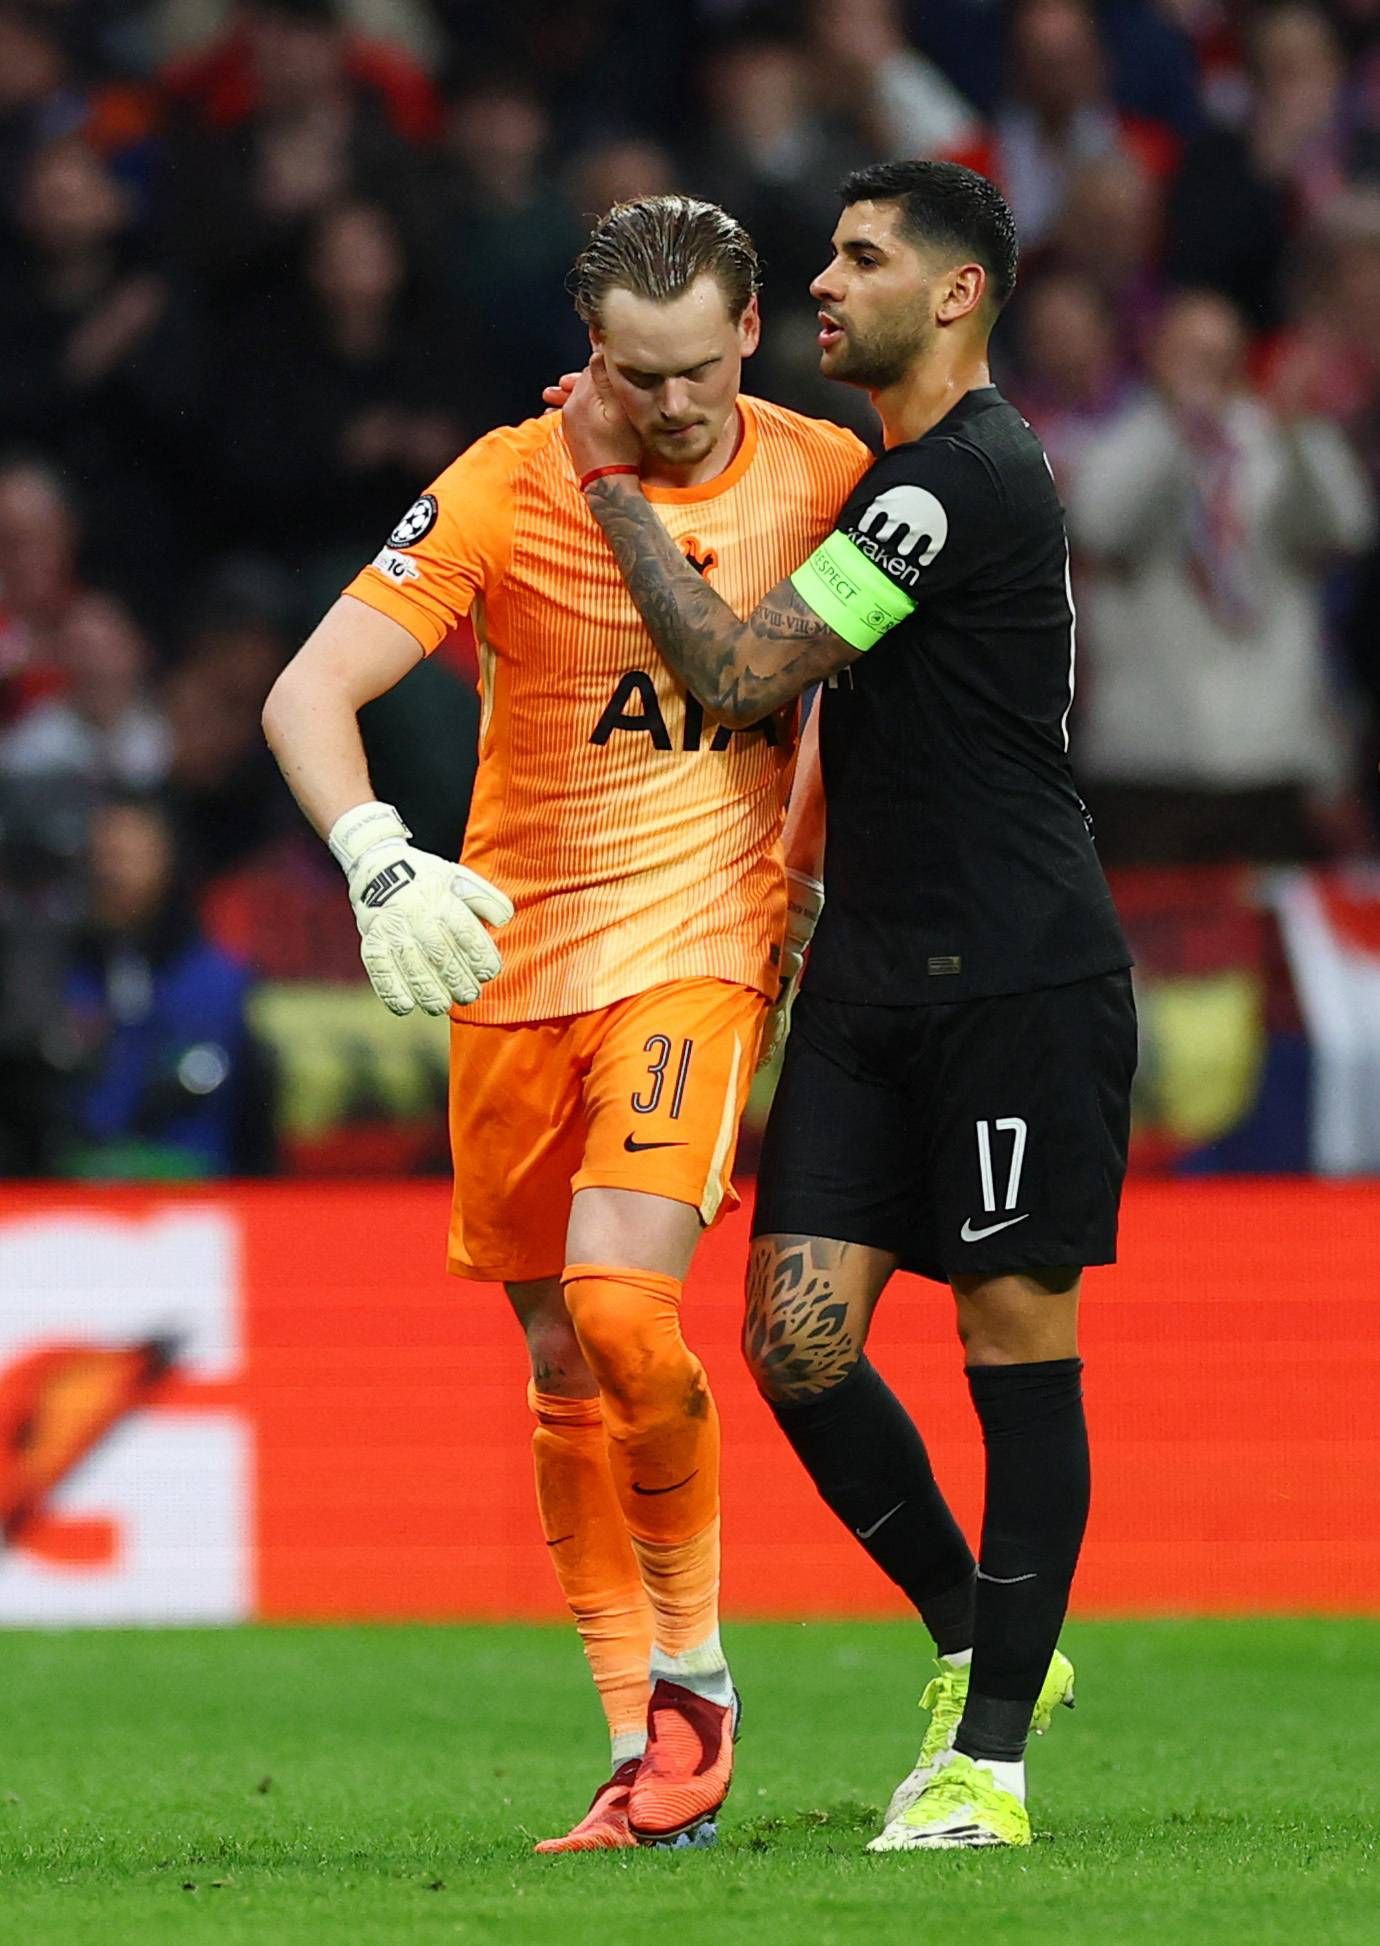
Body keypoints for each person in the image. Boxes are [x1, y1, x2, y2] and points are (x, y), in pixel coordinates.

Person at [261, 194, 870, 1852]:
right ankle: (633, 1742)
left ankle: (697, 1684)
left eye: (699, 369)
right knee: (553, 1358)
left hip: (701, 949)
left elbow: (872, 694)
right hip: (512, 963)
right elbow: (308, 692)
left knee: (619, 1304)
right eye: (635, 372)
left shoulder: (825, 475)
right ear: (588, 349)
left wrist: (816, 877)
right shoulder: (502, 483)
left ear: (752, 334)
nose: (672, 404)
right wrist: (378, 856)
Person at [560, 159, 1137, 1851]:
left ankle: (987, 1768)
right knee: (797, 1341)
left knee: (1012, 1339)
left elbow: (742, 672)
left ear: (957, 294)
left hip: (1017, 974)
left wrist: (612, 494)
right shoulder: (896, 479)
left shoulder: (958, 481)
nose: (824, 280)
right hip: (875, 980)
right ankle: (981, 1640)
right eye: (827, 253)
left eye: (862, 257)